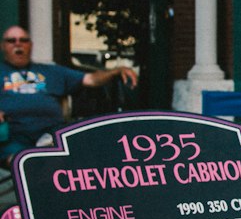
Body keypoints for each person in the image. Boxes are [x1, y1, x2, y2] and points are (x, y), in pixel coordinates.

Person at [0, 26, 139, 166]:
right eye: (12, 41)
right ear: (3, 46)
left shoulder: (50, 71)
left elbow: (90, 79)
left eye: (23, 40)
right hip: (14, 137)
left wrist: (115, 71)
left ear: (30, 45)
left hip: (51, 136)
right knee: (22, 164)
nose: (18, 44)